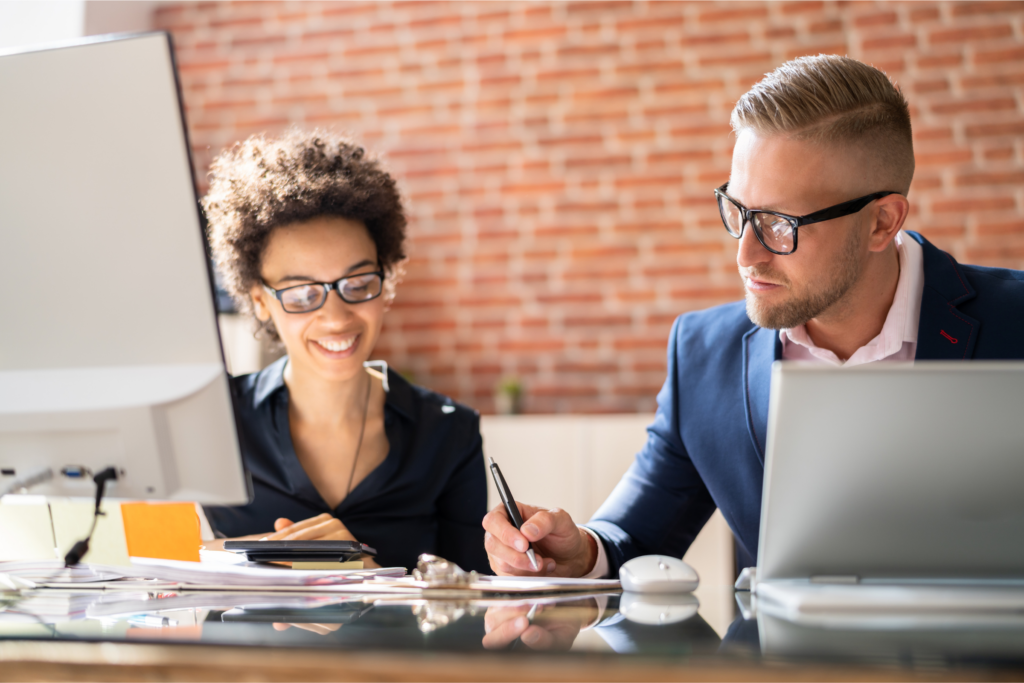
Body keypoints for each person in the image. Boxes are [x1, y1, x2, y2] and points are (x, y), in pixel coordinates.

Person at [483, 54, 1024, 581]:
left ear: (882, 222)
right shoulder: (703, 355)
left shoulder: (1013, 322)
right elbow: (632, 537)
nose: (746, 255)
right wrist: (577, 553)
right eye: (738, 212)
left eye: (780, 223)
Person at [201, 130, 488, 573]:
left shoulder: (449, 435)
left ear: (385, 278)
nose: (336, 318)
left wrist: (369, 579)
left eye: (357, 284)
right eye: (300, 293)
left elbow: (474, 615)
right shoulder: (213, 420)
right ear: (259, 299)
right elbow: (157, 574)